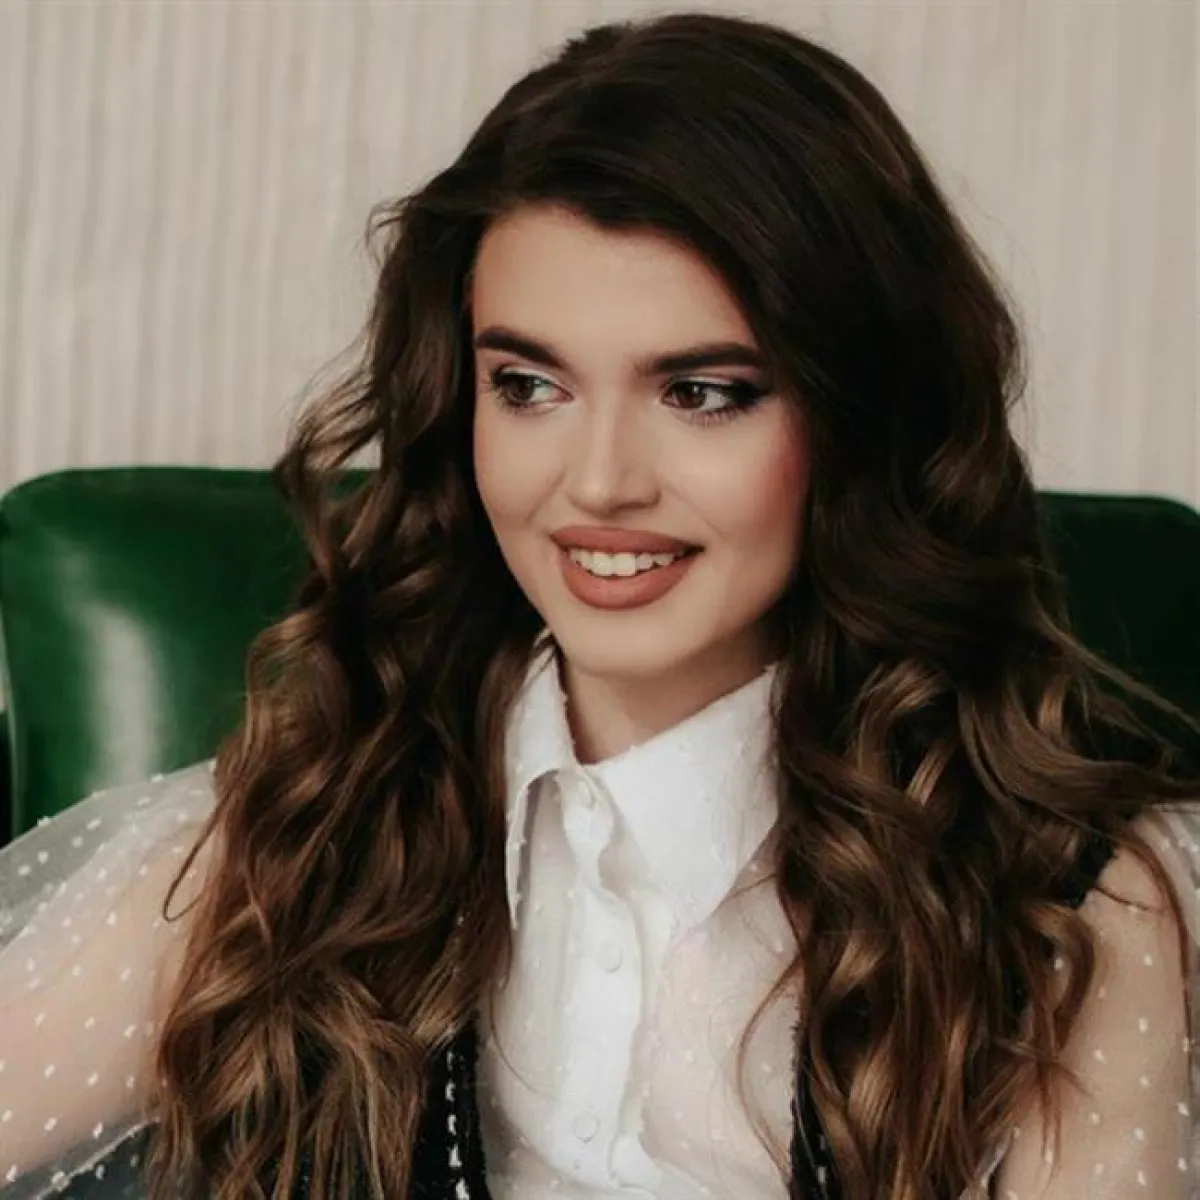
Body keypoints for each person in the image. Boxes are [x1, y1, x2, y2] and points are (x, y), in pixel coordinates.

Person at [1, 9, 1197, 1199]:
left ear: (860, 420)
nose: (601, 483)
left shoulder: (1080, 906)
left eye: (702, 392)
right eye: (530, 385)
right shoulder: (306, 826)